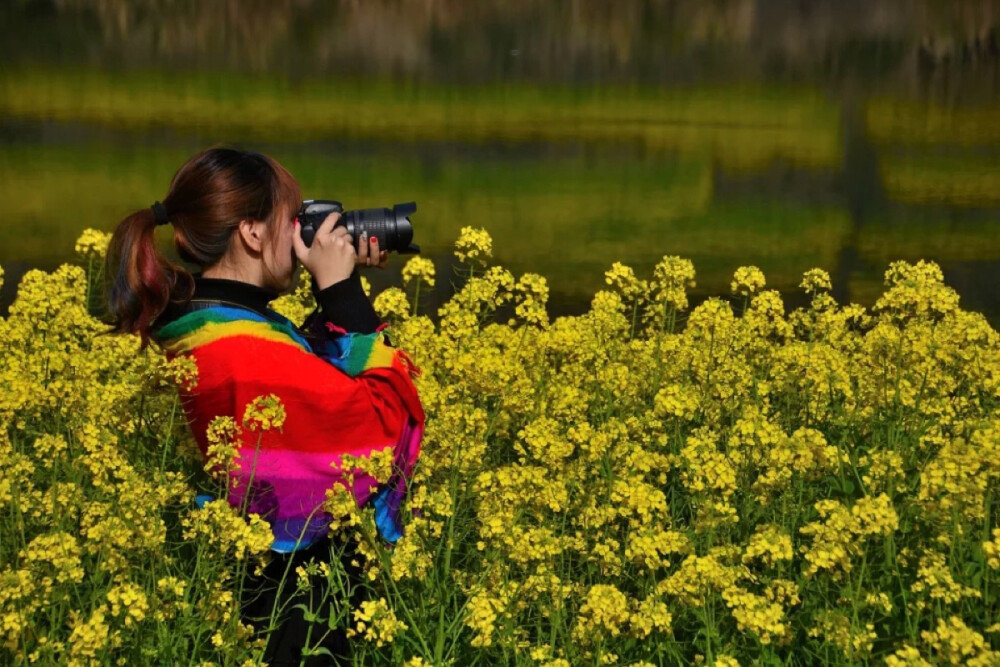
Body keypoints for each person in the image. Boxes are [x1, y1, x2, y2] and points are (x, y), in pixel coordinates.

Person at [104, 146, 425, 665]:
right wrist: (341, 292)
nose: (302, 234)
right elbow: (376, 427)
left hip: (256, 596)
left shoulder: (208, 323)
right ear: (251, 233)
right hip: (288, 612)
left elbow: (314, 383)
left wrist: (337, 295)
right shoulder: (242, 350)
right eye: (291, 219)